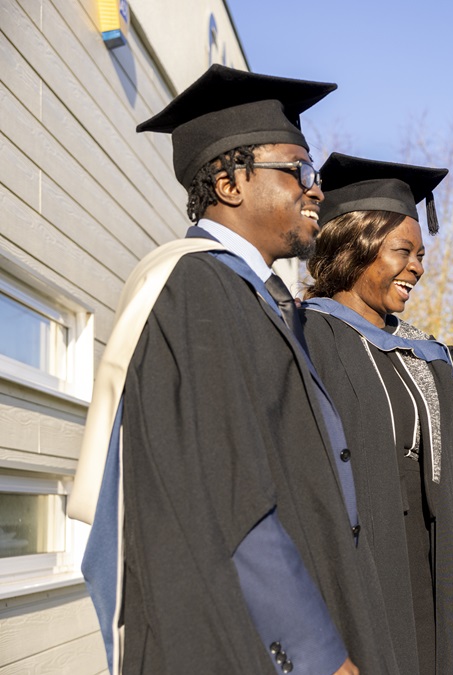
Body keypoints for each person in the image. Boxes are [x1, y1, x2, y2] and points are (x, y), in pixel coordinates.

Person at [68, 66, 396, 675]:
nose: (316, 189)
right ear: (229, 181)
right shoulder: (195, 288)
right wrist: (315, 653)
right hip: (255, 641)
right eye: (297, 169)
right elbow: (228, 495)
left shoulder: (257, 296)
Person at [300, 152, 453, 675]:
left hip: (431, 566)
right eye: (402, 251)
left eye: (421, 254)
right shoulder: (305, 338)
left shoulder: (425, 353)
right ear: (354, 246)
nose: (418, 267)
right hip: (357, 568)